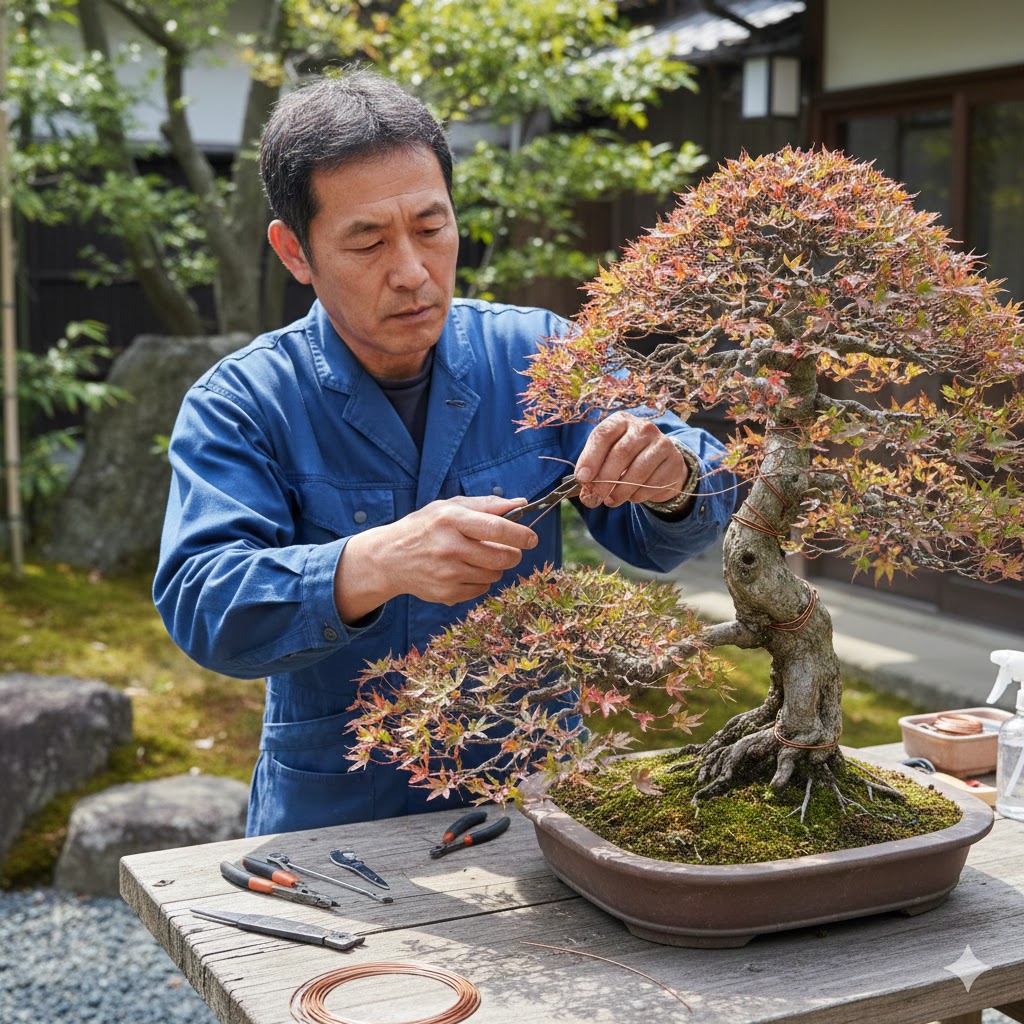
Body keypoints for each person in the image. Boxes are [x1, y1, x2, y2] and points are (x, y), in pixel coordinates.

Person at [153, 70, 734, 838]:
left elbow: (695, 483)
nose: (412, 272)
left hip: (530, 787)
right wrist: (373, 563)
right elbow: (204, 599)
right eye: (367, 241)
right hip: (334, 808)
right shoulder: (245, 400)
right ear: (295, 251)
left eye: (431, 229)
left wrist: (674, 478)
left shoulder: (538, 351)